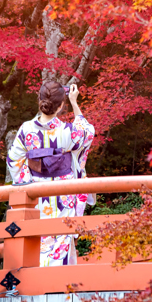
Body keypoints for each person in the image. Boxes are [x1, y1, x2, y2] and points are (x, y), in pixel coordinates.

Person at [6, 81, 95, 266]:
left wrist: (28, 182)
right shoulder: (68, 131)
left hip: (37, 195)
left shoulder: (26, 130)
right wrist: (75, 103)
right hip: (64, 196)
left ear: (39, 100)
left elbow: (13, 160)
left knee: (37, 244)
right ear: (61, 106)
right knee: (61, 242)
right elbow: (88, 132)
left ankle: (36, 280)